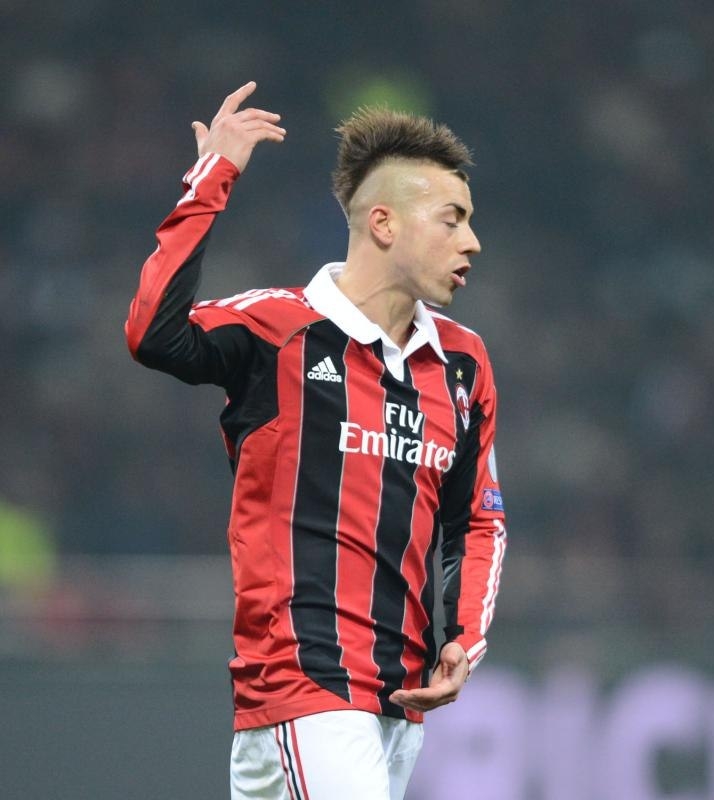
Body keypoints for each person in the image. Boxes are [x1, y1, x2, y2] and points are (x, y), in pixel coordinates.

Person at [125, 81, 507, 800]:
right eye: (452, 220)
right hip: (305, 683)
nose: (471, 241)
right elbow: (153, 334)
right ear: (384, 223)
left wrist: (462, 639)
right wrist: (211, 177)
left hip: (400, 701)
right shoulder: (278, 328)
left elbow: (476, 520)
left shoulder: (462, 362)